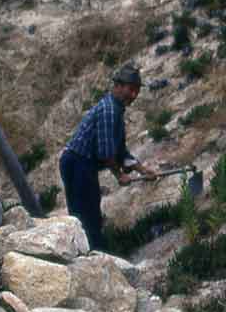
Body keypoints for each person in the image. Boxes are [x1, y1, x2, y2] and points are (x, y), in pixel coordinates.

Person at [59, 64, 158, 251]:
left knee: (88, 216)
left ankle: (90, 252)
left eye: (136, 91)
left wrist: (142, 170)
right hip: (77, 163)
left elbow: (120, 151)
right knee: (85, 217)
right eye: (130, 89)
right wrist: (119, 175)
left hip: (82, 164)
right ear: (118, 86)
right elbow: (106, 153)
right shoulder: (109, 110)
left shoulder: (116, 110)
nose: (133, 95)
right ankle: (92, 254)